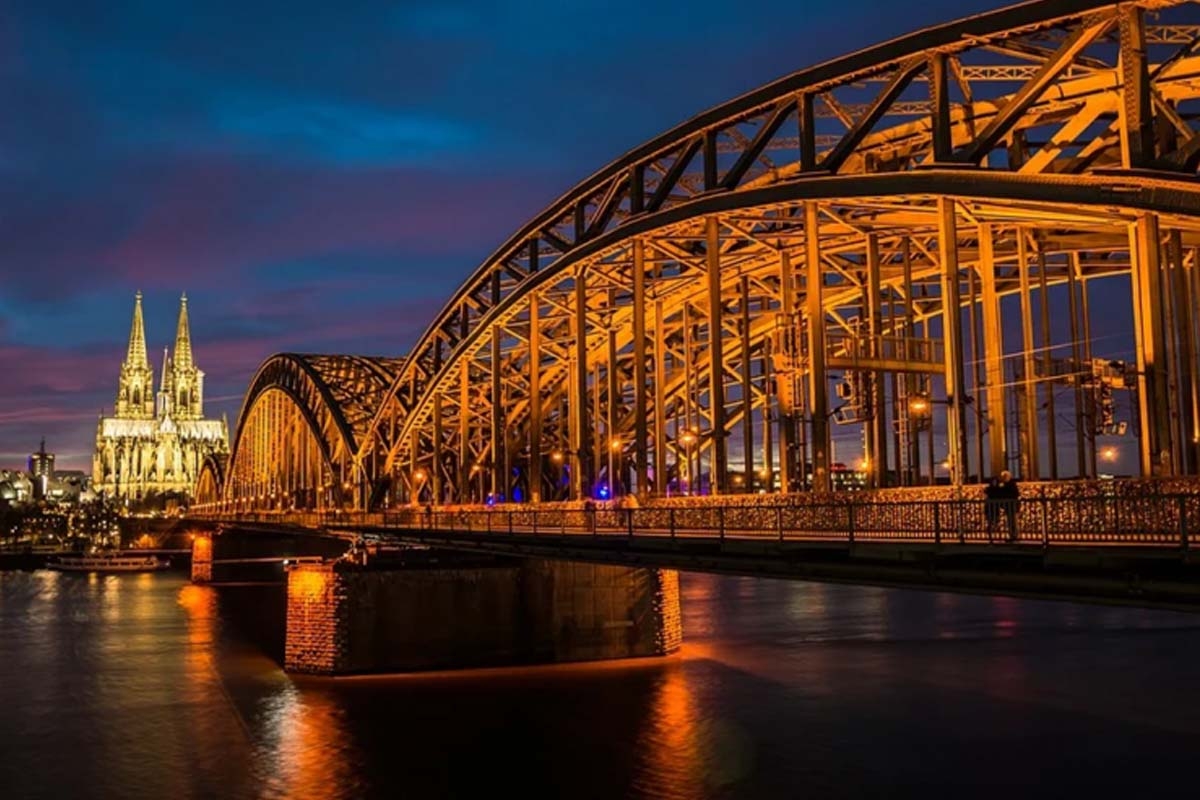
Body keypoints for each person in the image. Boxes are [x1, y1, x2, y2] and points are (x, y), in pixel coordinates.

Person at [995, 470, 1020, 542]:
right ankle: (1012, 535)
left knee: (1012, 521)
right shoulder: (1008, 484)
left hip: (1012, 506)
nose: (1003, 478)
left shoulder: (1010, 484)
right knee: (1010, 521)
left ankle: (1014, 535)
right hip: (1009, 506)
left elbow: (1014, 494)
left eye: (1004, 476)